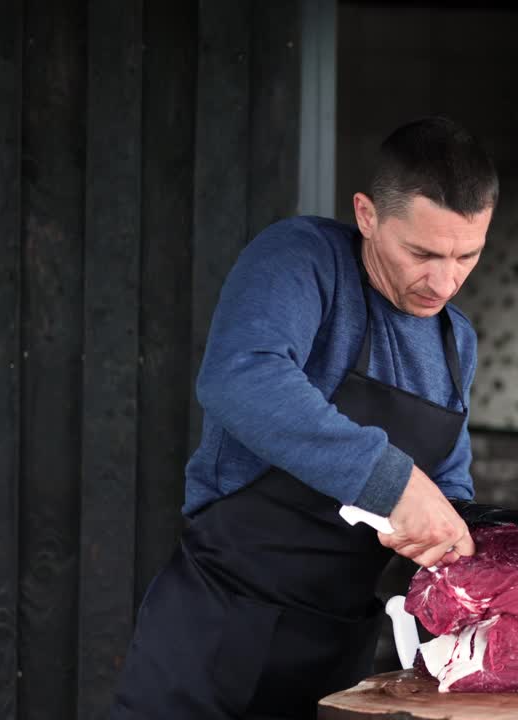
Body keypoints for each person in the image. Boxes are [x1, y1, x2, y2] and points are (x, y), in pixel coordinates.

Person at [110, 116, 498, 719]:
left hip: (337, 646)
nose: (444, 281)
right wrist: (393, 482)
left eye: (466, 255)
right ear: (367, 215)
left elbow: (447, 483)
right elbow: (242, 376)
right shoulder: (304, 258)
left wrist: (457, 544)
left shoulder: (455, 341)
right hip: (221, 625)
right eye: (421, 252)